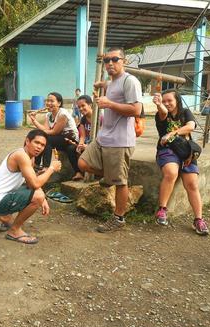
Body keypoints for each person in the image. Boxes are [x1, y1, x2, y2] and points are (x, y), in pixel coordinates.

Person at [78, 47, 143, 233]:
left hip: (120, 141)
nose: (110, 63)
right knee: (83, 163)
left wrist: (109, 104)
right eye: (107, 60)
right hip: (104, 137)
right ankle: (108, 177)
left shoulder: (130, 81)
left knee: (121, 182)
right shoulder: (113, 82)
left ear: (124, 60)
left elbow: (136, 110)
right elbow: (110, 86)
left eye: (115, 59)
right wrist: (102, 85)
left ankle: (119, 218)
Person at [0, 129, 62, 244]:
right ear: (27, 141)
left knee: (39, 194)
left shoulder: (29, 156)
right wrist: (51, 169)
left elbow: (31, 181)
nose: (39, 147)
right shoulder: (21, 156)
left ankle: (5, 216)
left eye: (43, 145)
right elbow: (35, 184)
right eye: (37, 143)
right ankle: (14, 231)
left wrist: (44, 199)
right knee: (38, 196)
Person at [153, 89, 208, 235]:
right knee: (171, 172)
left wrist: (173, 133)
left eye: (169, 100)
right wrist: (159, 105)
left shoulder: (185, 113)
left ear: (177, 100)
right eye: (164, 101)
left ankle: (199, 219)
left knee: (192, 184)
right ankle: (162, 210)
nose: (167, 103)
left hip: (185, 151)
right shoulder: (161, 115)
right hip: (167, 150)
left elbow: (191, 126)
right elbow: (163, 112)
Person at [29, 92, 79, 178]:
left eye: (52, 101)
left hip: (70, 138)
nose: (48, 103)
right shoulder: (48, 115)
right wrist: (34, 120)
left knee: (46, 139)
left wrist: (42, 133)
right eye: (47, 101)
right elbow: (45, 129)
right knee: (40, 137)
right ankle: (35, 166)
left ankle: (45, 167)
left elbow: (54, 132)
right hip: (60, 139)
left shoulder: (63, 114)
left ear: (59, 103)